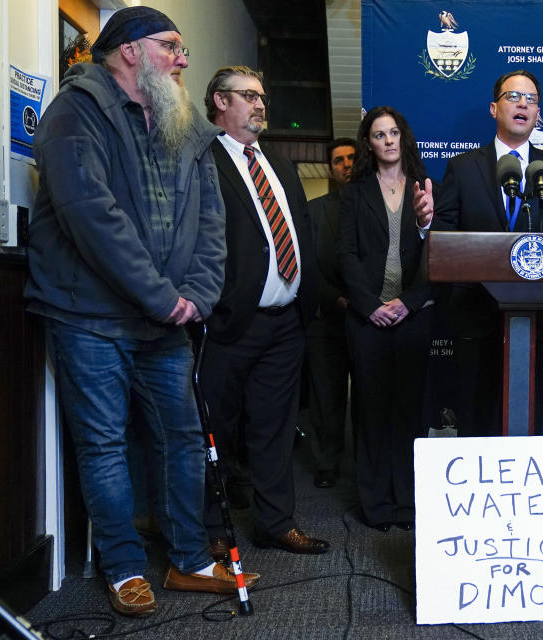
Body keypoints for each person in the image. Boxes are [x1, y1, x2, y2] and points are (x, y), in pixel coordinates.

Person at [23, 6, 257, 618]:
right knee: (102, 445)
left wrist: (197, 296)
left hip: (168, 321)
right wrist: (163, 297)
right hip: (89, 318)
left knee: (182, 438)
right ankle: (124, 567)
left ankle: (189, 559)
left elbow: (213, 224)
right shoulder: (74, 113)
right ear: (129, 50)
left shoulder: (183, 123)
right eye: (171, 46)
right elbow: (91, 218)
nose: (184, 58)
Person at [200, 66, 329, 556]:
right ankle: (211, 529)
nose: (259, 105)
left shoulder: (278, 160)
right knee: (215, 429)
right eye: (248, 96)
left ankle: (275, 523)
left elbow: (297, 230)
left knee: (274, 428)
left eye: (262, 97)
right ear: (219, 102)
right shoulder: (205, 159)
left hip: (286, 322)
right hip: (231, 320)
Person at [423, 69, 543, 437]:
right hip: (473, 311)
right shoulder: (463, 168)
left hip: (535, 315)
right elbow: (445, 237)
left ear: (538, 113)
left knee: (526, 408)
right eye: (513, 96)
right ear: (494, 108)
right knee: (475, 411)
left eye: (531, 99)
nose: (523, 104)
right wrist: (427, 222)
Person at [336, 106, 435, 531]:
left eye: (394, 132)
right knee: (371, 412)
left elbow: (440, 256)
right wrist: (370, 305)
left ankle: (408, 504)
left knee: (408, 412)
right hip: (368, 319)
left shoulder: (427, 188)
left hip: (414, 317)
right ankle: (375, 506)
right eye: (379, 135)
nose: (389, 140)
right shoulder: (355, 193)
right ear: (368, 144)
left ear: (403, 137)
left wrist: (409, 302)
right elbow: (346, 255)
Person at [304, 137, 356, 489]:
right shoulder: (314, 210)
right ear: (331, 168)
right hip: (326, 316)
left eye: (352, 158)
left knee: (372, 396)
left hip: (370, 316)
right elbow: (306, 265)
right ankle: (326, 462)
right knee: (326, 396)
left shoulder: (378, 204)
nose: (346, 165)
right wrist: (334, 298)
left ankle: (367, 464)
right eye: (339, 160)